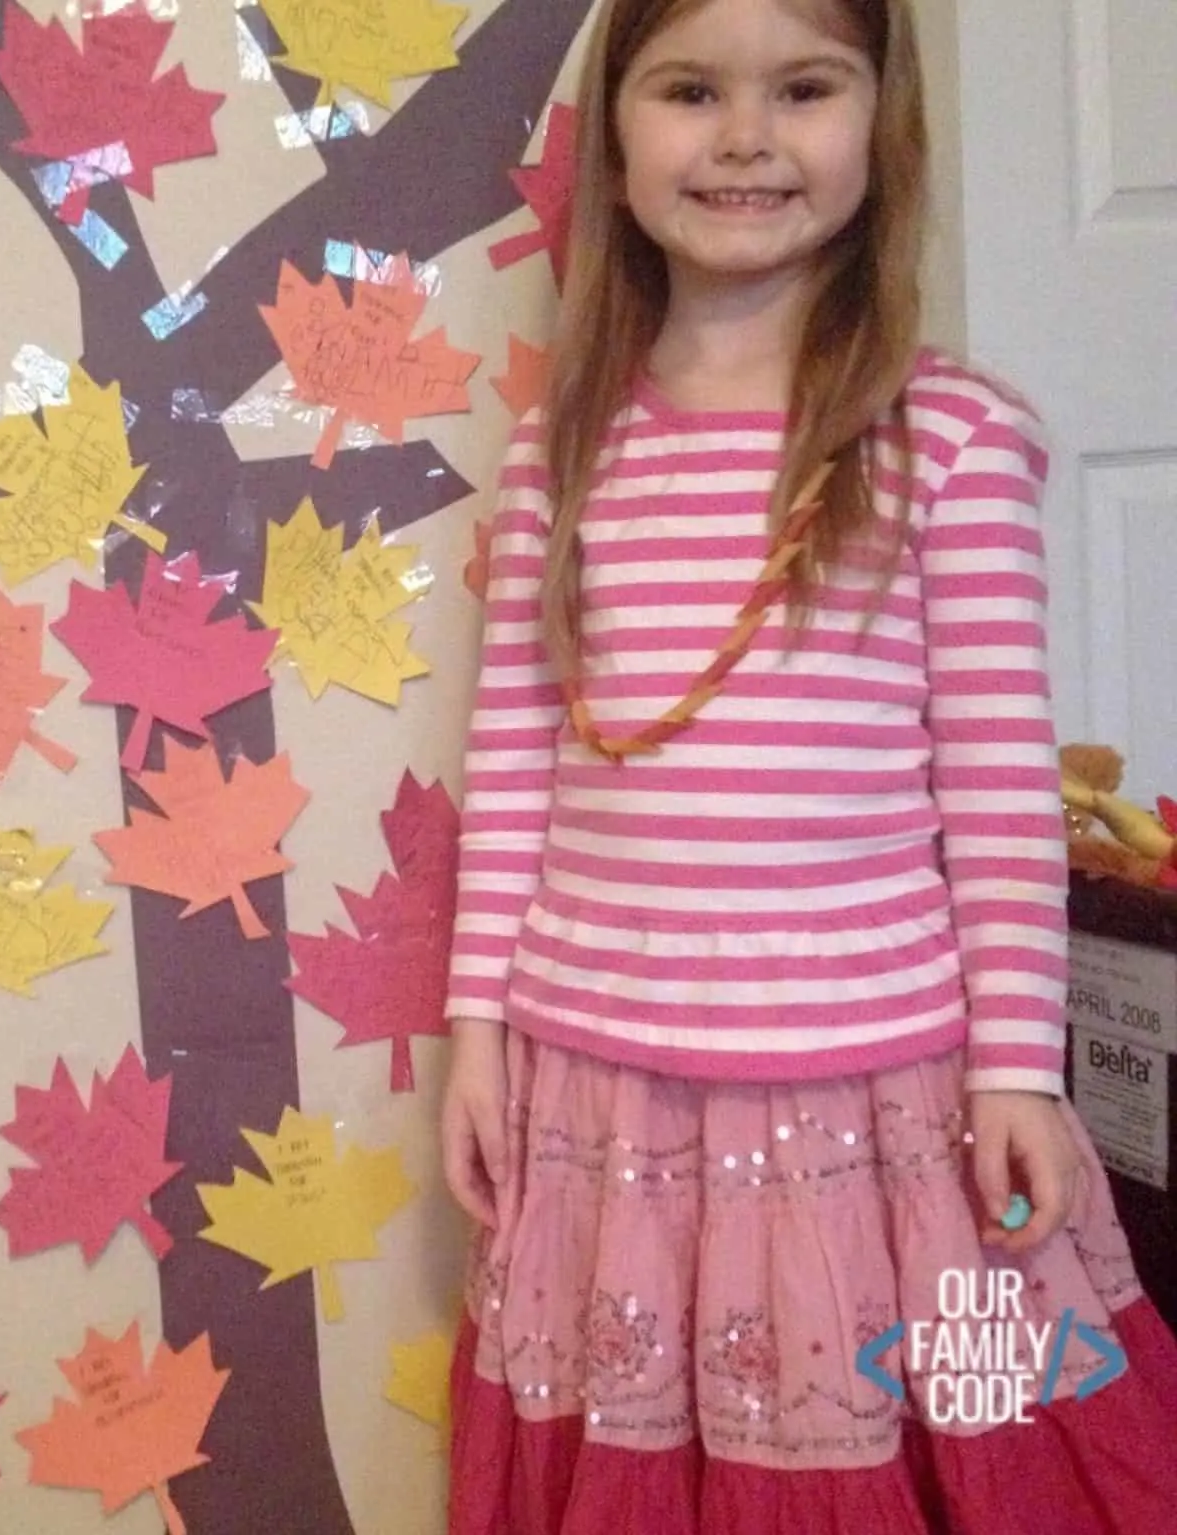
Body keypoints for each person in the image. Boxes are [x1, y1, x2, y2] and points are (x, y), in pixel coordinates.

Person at [439, 0, 1177, 1529]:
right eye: (690, 89)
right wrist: (476, 1031)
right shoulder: (555, 458)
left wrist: (1016, 1067)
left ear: (876, 126)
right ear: (618, 144)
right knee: (652, 1445)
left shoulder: (948, 442)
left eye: (804, 87)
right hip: (605, 1097)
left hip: (881, 1106)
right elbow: (515, 756)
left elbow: (990, 788)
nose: (745, 136)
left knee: (971, 1437)